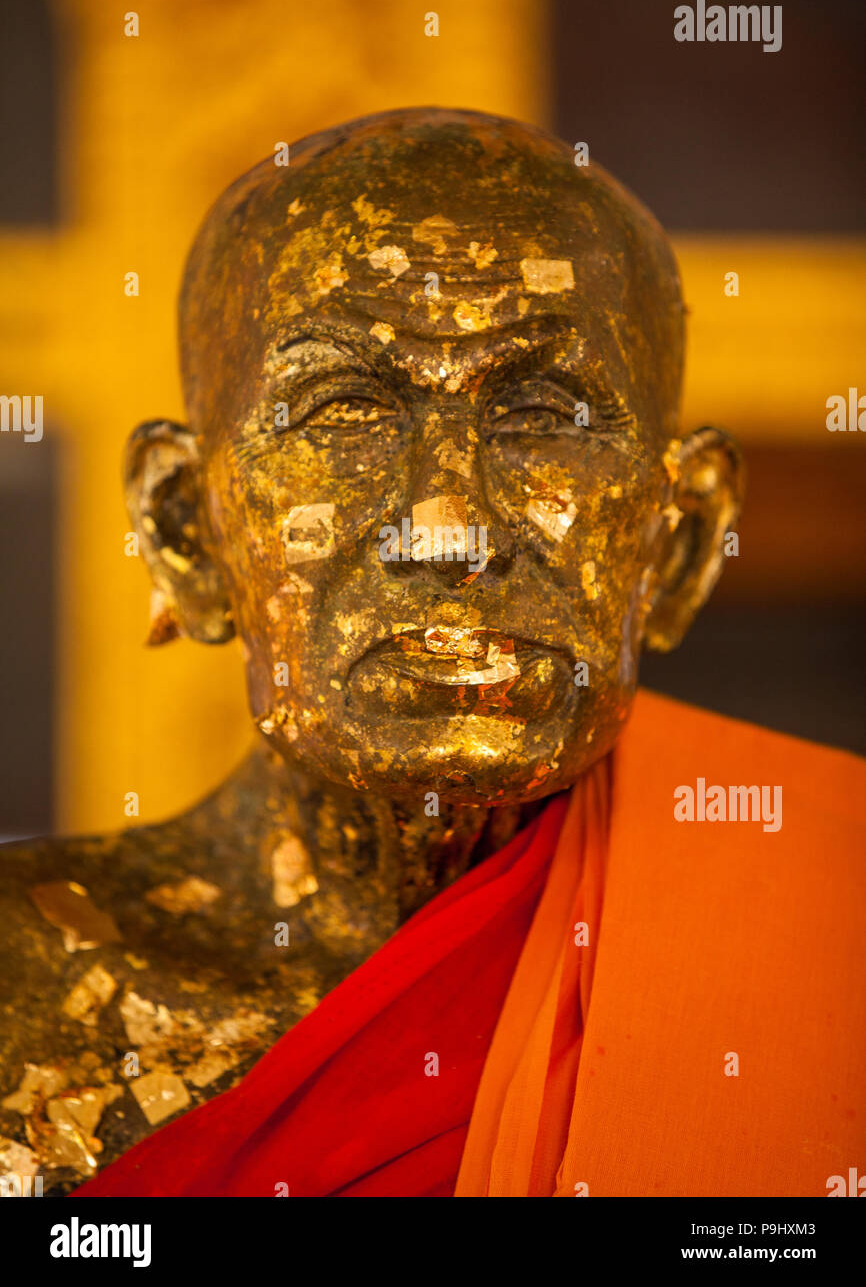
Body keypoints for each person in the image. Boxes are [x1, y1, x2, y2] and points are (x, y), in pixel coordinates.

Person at [0, 108, 862, 1197]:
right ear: (185, 530)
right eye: (343, 411)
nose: (446, 525)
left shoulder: (833, 939)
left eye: (543, 413)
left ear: (677, 539)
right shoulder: (18, 995)